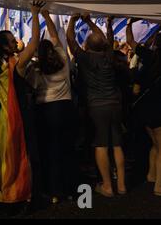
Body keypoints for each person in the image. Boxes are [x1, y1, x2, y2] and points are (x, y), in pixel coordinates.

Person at [0, 0, 45, 204]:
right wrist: (35, 13)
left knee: (0, 155)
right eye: (13, 42)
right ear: (5, 46)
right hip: (13, 117)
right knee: (15, 155)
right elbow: (34, 43)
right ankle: (13, 193)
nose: (17, 43)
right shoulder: (15, 64)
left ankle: (1, 193)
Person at [66, 13, 126, 197]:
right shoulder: (109, 55)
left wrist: (73, 20)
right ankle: (122, 185)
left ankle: (107, 186)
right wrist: (89, 21)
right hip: (115, 103)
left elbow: (70, 39)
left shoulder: (84, 58)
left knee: (101, 144)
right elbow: (105, 38)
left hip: (97, 106)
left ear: (87, 46)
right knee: (117, 144)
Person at [26, 9, 77, 203]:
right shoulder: (63, 60)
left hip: (47, 111)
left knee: (50, 151)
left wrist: (36, 14)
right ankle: (71, 189)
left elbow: (31, 88)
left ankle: (54, 191)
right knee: (68, 149)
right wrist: (46, 16)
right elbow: (55, 35)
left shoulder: (37, 69)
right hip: (66, 107)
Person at [126, 19, 161, 196]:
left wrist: (129, 23)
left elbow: (131, 42)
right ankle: (159, 187)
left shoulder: (149, 57)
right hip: (159, 108)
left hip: (146, 107)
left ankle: (151, 175)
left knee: (155, 145)